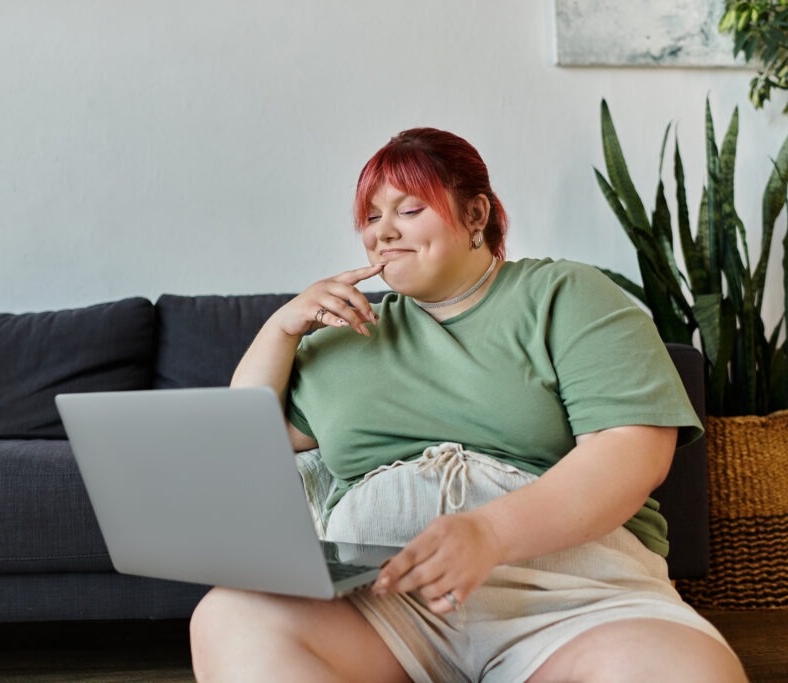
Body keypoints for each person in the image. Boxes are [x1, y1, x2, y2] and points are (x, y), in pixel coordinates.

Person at [189, 128, 747, 682]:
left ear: (476, 215)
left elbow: (631, 452)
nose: (383, 232)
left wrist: (490, 533)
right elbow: (246, 450)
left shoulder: (568, 294)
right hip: (384, 607)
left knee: (676, 671)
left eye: (408, 210)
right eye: (369, 217)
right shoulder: (340, 338)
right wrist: (280, 329)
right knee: (230, 617)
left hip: (571, 597)